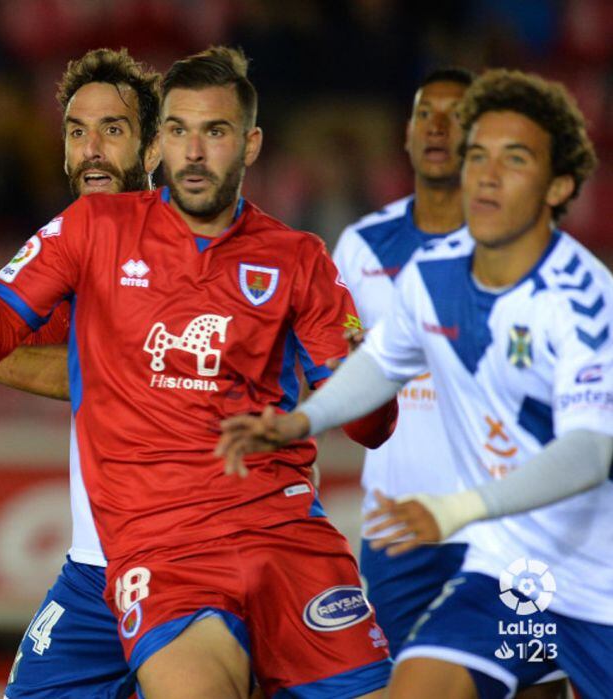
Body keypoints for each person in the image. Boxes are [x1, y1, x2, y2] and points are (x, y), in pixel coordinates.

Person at [0, 47, 397, 699]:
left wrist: (372, 373)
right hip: (155, 556)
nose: (194, 151)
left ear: (249, 145)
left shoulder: (296, 257)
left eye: (214, 132)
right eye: (77, 131)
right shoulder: (87, 234)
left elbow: (370, 423)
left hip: (287, 538)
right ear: (162, 142)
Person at [218, 69, 610, 699]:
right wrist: (299, 421)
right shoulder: (432, 273)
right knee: (416, 686)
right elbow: (379, 363)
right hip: (500, 564)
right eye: (478, 153)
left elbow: (591, 451)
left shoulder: (585, 301)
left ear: (559, 185)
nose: (485, 172)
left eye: (513, 159)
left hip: (594, 573)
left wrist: (455, 509)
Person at [1, 47, 160, 699]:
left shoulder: (198, 240)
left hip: (191, 562)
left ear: (153, 147)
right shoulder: (66, 238)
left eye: (112, 130)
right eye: (75, 131)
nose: (91, 148)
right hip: (94, 571)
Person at [332, 68, 474, 656]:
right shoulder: (360, 247)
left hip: (504, 523)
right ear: (407, 135)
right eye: (424, 114)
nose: (437, 128)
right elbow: (335, 379)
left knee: (530, 689)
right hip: (397, 532)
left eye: (456, 115)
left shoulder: (521, 248)